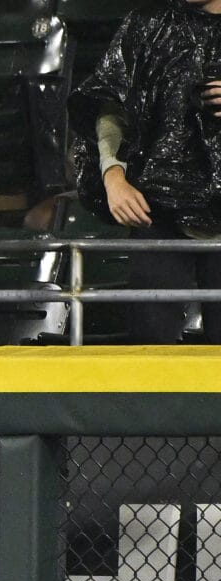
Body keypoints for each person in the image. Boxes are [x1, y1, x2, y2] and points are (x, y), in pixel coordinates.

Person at [69, 0, 221, 344]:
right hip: (155, 211)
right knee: (151, 343)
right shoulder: (147, 24)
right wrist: (113, 176)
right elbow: (111, 105)